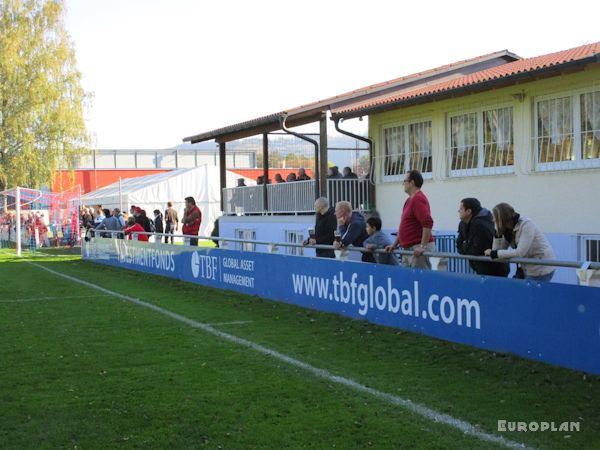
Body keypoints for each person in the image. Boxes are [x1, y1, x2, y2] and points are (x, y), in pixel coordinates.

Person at [484, 203, 556, 282]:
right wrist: (497, 235)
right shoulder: (507, 229)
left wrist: (494, 253)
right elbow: (497, 250)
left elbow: (520, 252)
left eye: (495, 217)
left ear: (501, 218)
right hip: (526, 267)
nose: (493, 220)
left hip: (540, 268)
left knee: (531, 294)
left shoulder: (526, 225)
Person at [385, 170, 435, 269]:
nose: (403, 183)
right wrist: (394, 245)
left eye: (405, 180)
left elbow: (428, 222)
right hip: (408, 249)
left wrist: (422, 247)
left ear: (412, 183)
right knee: (408, 282)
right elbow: (404, 225)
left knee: (419, 281)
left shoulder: (418, 199)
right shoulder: (409, 200)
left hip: (416, 249)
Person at [456, 198, 509, 277]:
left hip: (494, 268)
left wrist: (466, 246)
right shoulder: (463, 223)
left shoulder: (480, 224)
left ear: (469, 211)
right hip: (480, 267)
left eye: (461, 209)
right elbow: (458, 245)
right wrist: (467, 246)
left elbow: (477, 250)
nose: (458, 211)